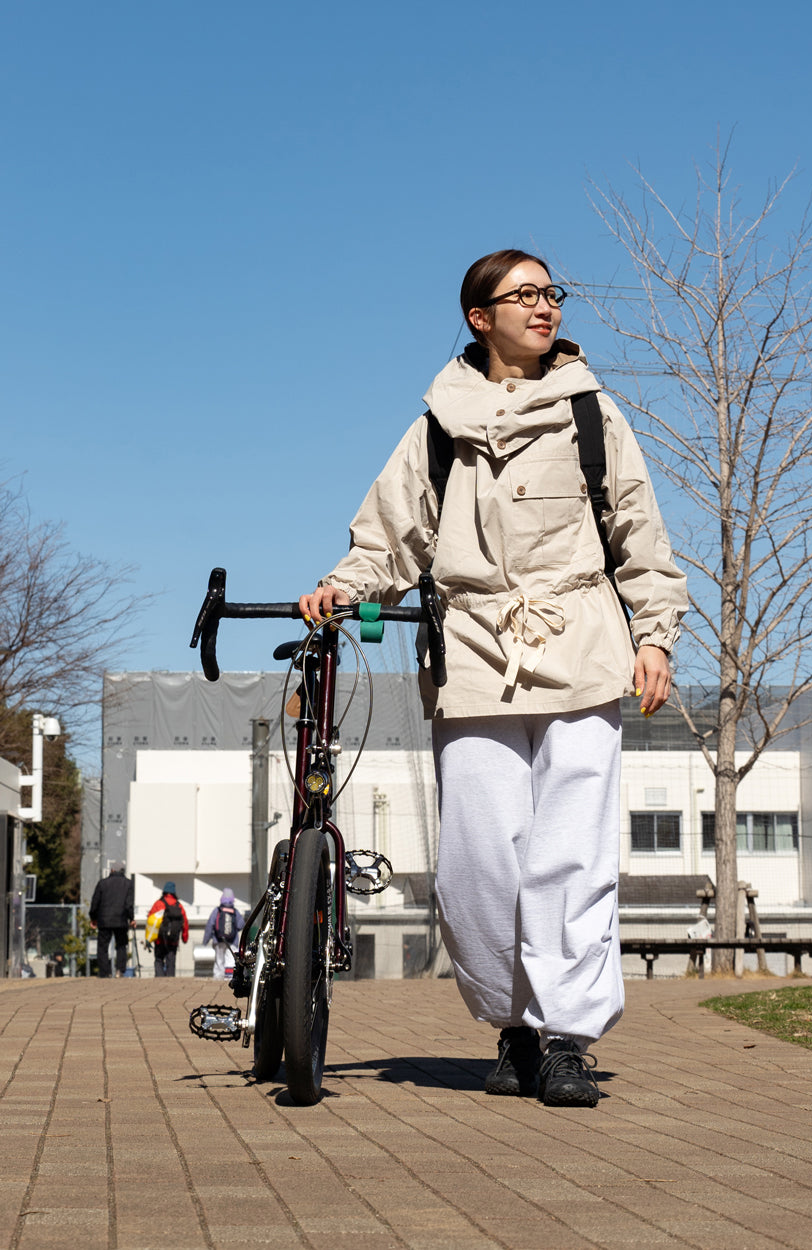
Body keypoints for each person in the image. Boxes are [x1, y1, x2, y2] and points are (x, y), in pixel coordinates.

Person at [299, 249, 687, 1108]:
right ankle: (512, 1022)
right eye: (526, 295)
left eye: (553, 293)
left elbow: (639, 531)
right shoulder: (438, 423)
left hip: (581, 644)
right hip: (472, 649)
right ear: (482, 317)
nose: (545, 307)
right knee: (480, 860)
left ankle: (567, 1039)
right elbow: (390, 537)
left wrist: (653, 637)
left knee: (571, 855)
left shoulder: (593, 413)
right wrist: (343, 586)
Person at [89, 860, 134, 978]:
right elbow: (129, 904)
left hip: (104, 920)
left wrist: (93, 917)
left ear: (112, 870)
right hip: (121, 919)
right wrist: (131, 918)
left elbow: (95, 902)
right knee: (121, 945)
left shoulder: (102, 883)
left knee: (103, 947)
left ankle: (105, 972)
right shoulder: (128, 884)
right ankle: (120, 970)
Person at [146, 881, 189, 977]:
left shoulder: (158, 904)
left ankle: (159, 981)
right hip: (173, 940)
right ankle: (170, 982)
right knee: (171, 962)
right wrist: (184, 938)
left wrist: (148, 938)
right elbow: (185, 923)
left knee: (159, 960)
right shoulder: (179, 906)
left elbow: (150, 920)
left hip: (160, 939)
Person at [203, 888, 244, 980]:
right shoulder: (235, 911)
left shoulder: (217, 910)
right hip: (232, 940)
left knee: (219, 960)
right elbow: (241, 925)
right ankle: (229, 978)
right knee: (230, 959)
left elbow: (210, 925)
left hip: (218, 939)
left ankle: (218, 978)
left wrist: (205, 941)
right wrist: (233, 930)